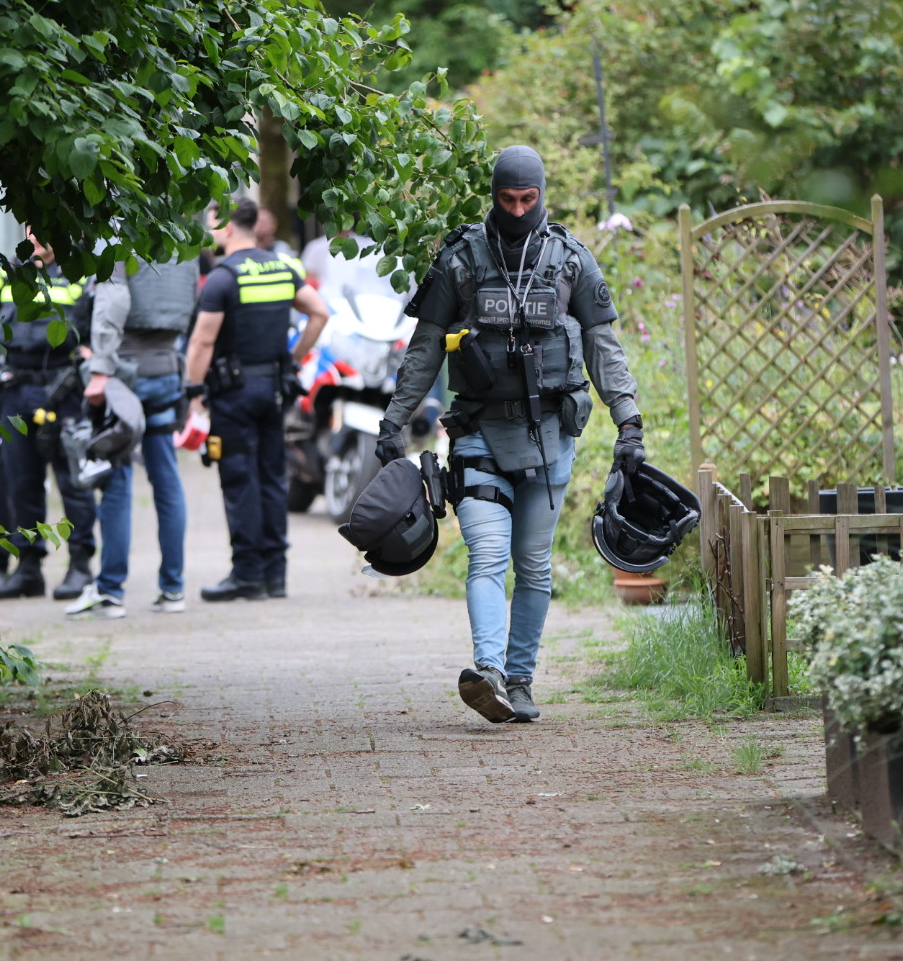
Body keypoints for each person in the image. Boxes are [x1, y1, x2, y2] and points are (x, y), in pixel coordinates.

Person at [375, 145, 645, 724]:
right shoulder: (461, 259)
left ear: (542, 194)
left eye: (528, 199)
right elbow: (425, 348)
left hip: (550, 433)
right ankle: (489, 671)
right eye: (507, 199)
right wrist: (393, 420)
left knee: (534, 563)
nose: (518, 210)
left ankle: (520, 681)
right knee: (488, 554)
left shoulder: (572, 261)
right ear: (493, 196)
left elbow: (603, 348)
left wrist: (629, 421)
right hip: (477, 430)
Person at [186, 196, 329, 601]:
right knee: (271, 478)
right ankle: (275, 576)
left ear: (229, 226)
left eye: (213, 223)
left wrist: (193, 394)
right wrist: (293, 360)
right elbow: (319, 313)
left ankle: (247, 575)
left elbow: (202, 343)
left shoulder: (223, 277)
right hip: (274, 390)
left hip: (234, 393)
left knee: (240, 480)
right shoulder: (282, 268)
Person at [68, 248, 201, 618]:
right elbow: (191, 300)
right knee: (166, 477)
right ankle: (173, 589)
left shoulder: (120, 237)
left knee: (116, 477)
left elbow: (112, 302)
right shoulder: (181, 241)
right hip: (167, 369)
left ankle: (110, 592)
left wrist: (100, 368)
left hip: (125, 373)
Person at [0, 234, 99, 601]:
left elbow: (97, 327)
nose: (36, 237)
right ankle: (29, 568)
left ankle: (80, 566)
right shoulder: (12, 270)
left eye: (44, 229)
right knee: (20, 482)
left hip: (63, 388)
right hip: (17, 388)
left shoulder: (81, 270)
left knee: (72, 481)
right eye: (30, 229)